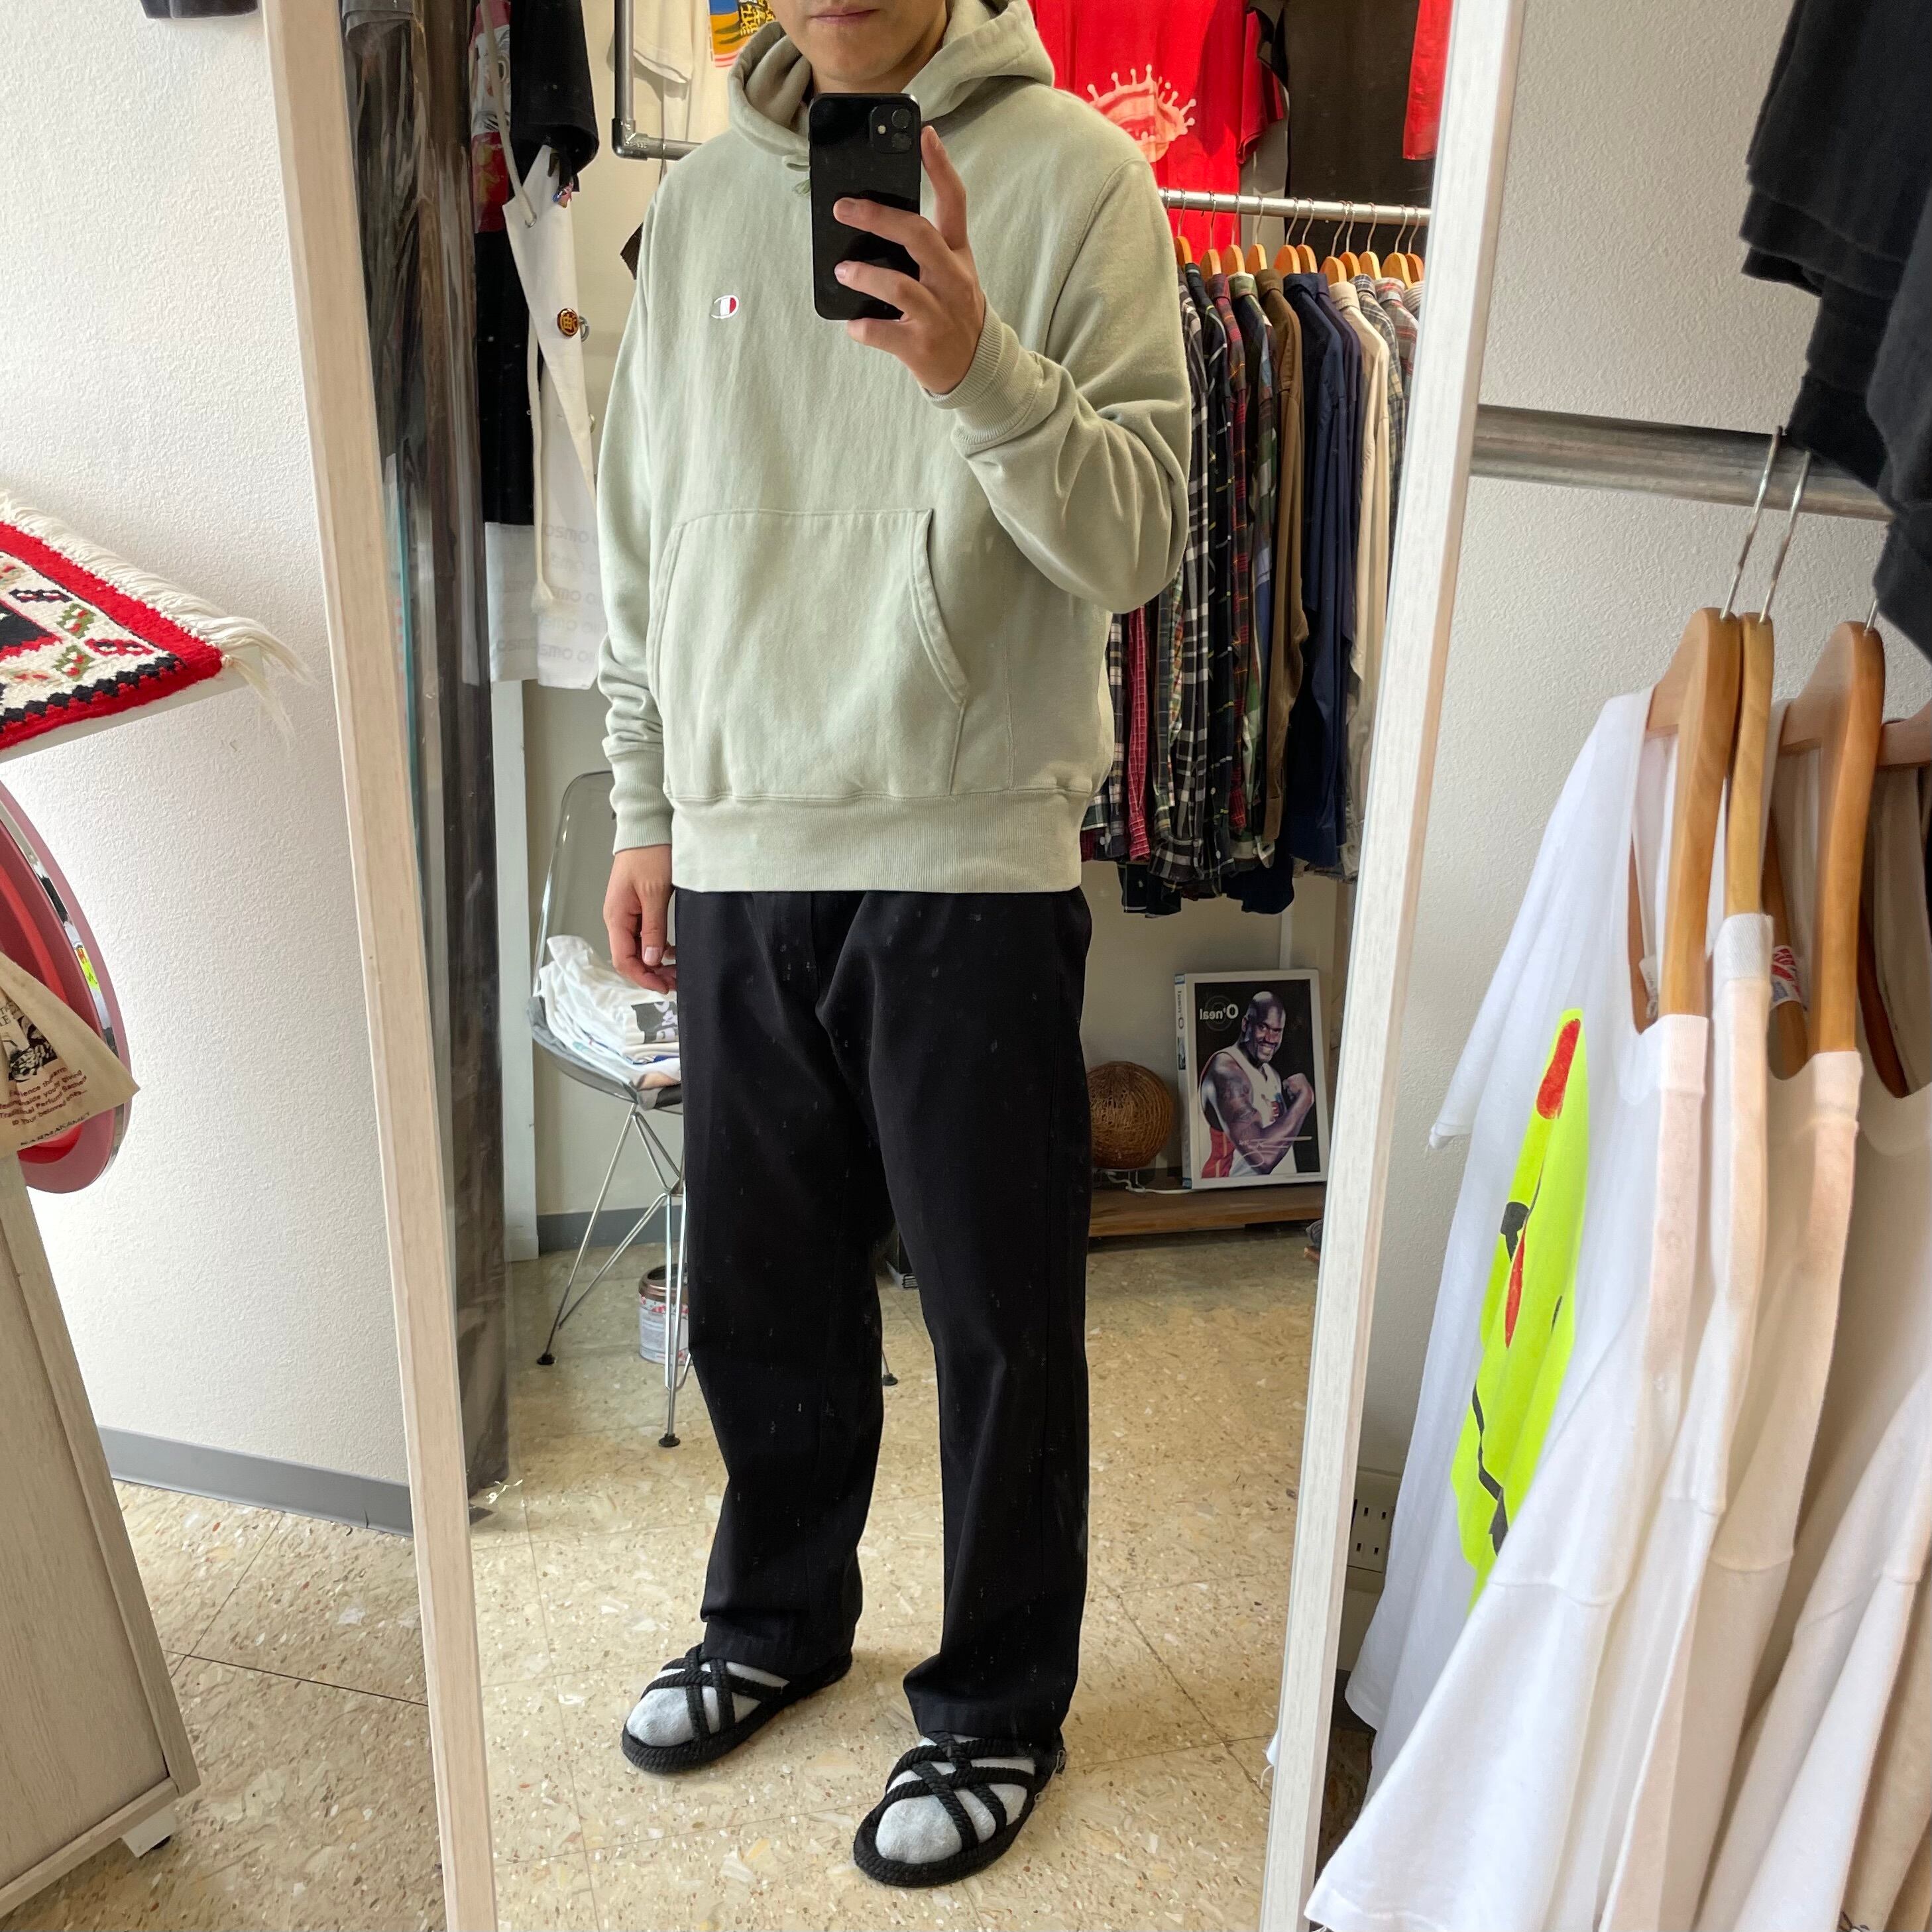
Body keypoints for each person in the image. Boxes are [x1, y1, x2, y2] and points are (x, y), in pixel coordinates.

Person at [595, 0, 1189, 1890]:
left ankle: (999, 1697)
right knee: (760, 1288)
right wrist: (644, 802)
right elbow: (640, 529)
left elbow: (1140, 537)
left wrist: (974, 364)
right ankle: (775, 1615)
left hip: (966, 841)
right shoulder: (700, 211)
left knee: (997, 1317)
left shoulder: (1085, 182)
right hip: (739, 835)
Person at [1199, 991, 1316, 1178]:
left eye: (1277, 1031)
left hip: (1275, 1190)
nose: (1270, 1038)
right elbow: (1264, 1159)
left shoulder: (1271, 1073)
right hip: (1234, 1192)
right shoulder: (1226, 1073)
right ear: (1246, 1024)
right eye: (1263, 1027)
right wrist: (1305, 1099)